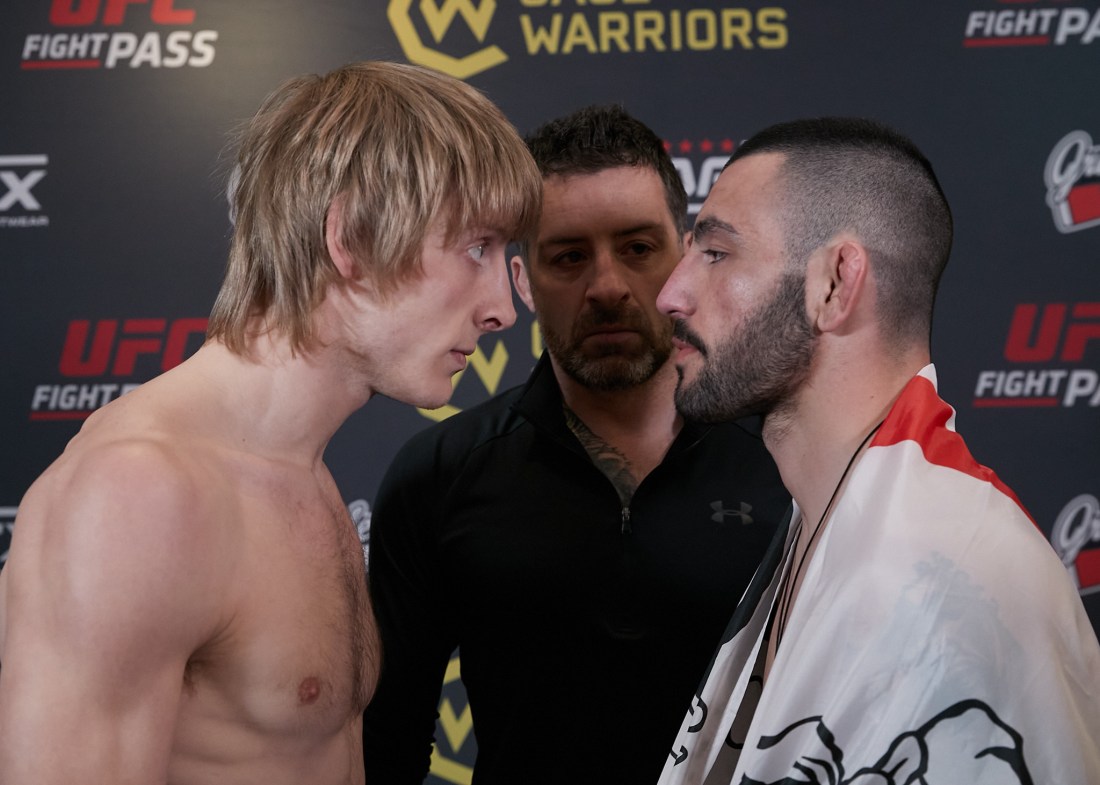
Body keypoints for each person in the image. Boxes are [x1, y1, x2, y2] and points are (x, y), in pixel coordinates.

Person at [0, 61, 540, 785]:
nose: (505, 307)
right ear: (350, 239)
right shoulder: (138, 496)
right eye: (477, 248)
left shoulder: (302, 474)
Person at [655, 116, 1100, 784]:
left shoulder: (956, 579)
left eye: (716, 253)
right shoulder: (824, 515)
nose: (670, 293)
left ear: (836, 284)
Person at [361, 104, 790, 785]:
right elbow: (386, 744)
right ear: (523, 281)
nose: (608, 287)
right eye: (568, 257)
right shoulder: (439, 475)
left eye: (638, 249)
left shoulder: (790, 459)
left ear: (686, 258)